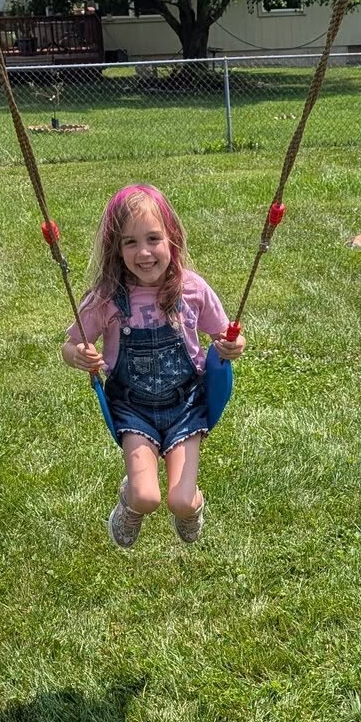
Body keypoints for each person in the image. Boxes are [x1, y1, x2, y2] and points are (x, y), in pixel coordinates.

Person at [62, 184, 245, 548]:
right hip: (133, 408)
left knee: (180, 502)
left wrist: (232, 345)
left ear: (172, 238)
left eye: (153, 238)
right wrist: (79, 354)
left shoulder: (191, 289)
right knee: (147, 497)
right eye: (130, 242)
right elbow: (70, 345)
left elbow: (228, 336)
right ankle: (129, 500)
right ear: (116, 248)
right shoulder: (106, 297)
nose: (143, 252)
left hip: (185, 407)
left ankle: (194, 506)